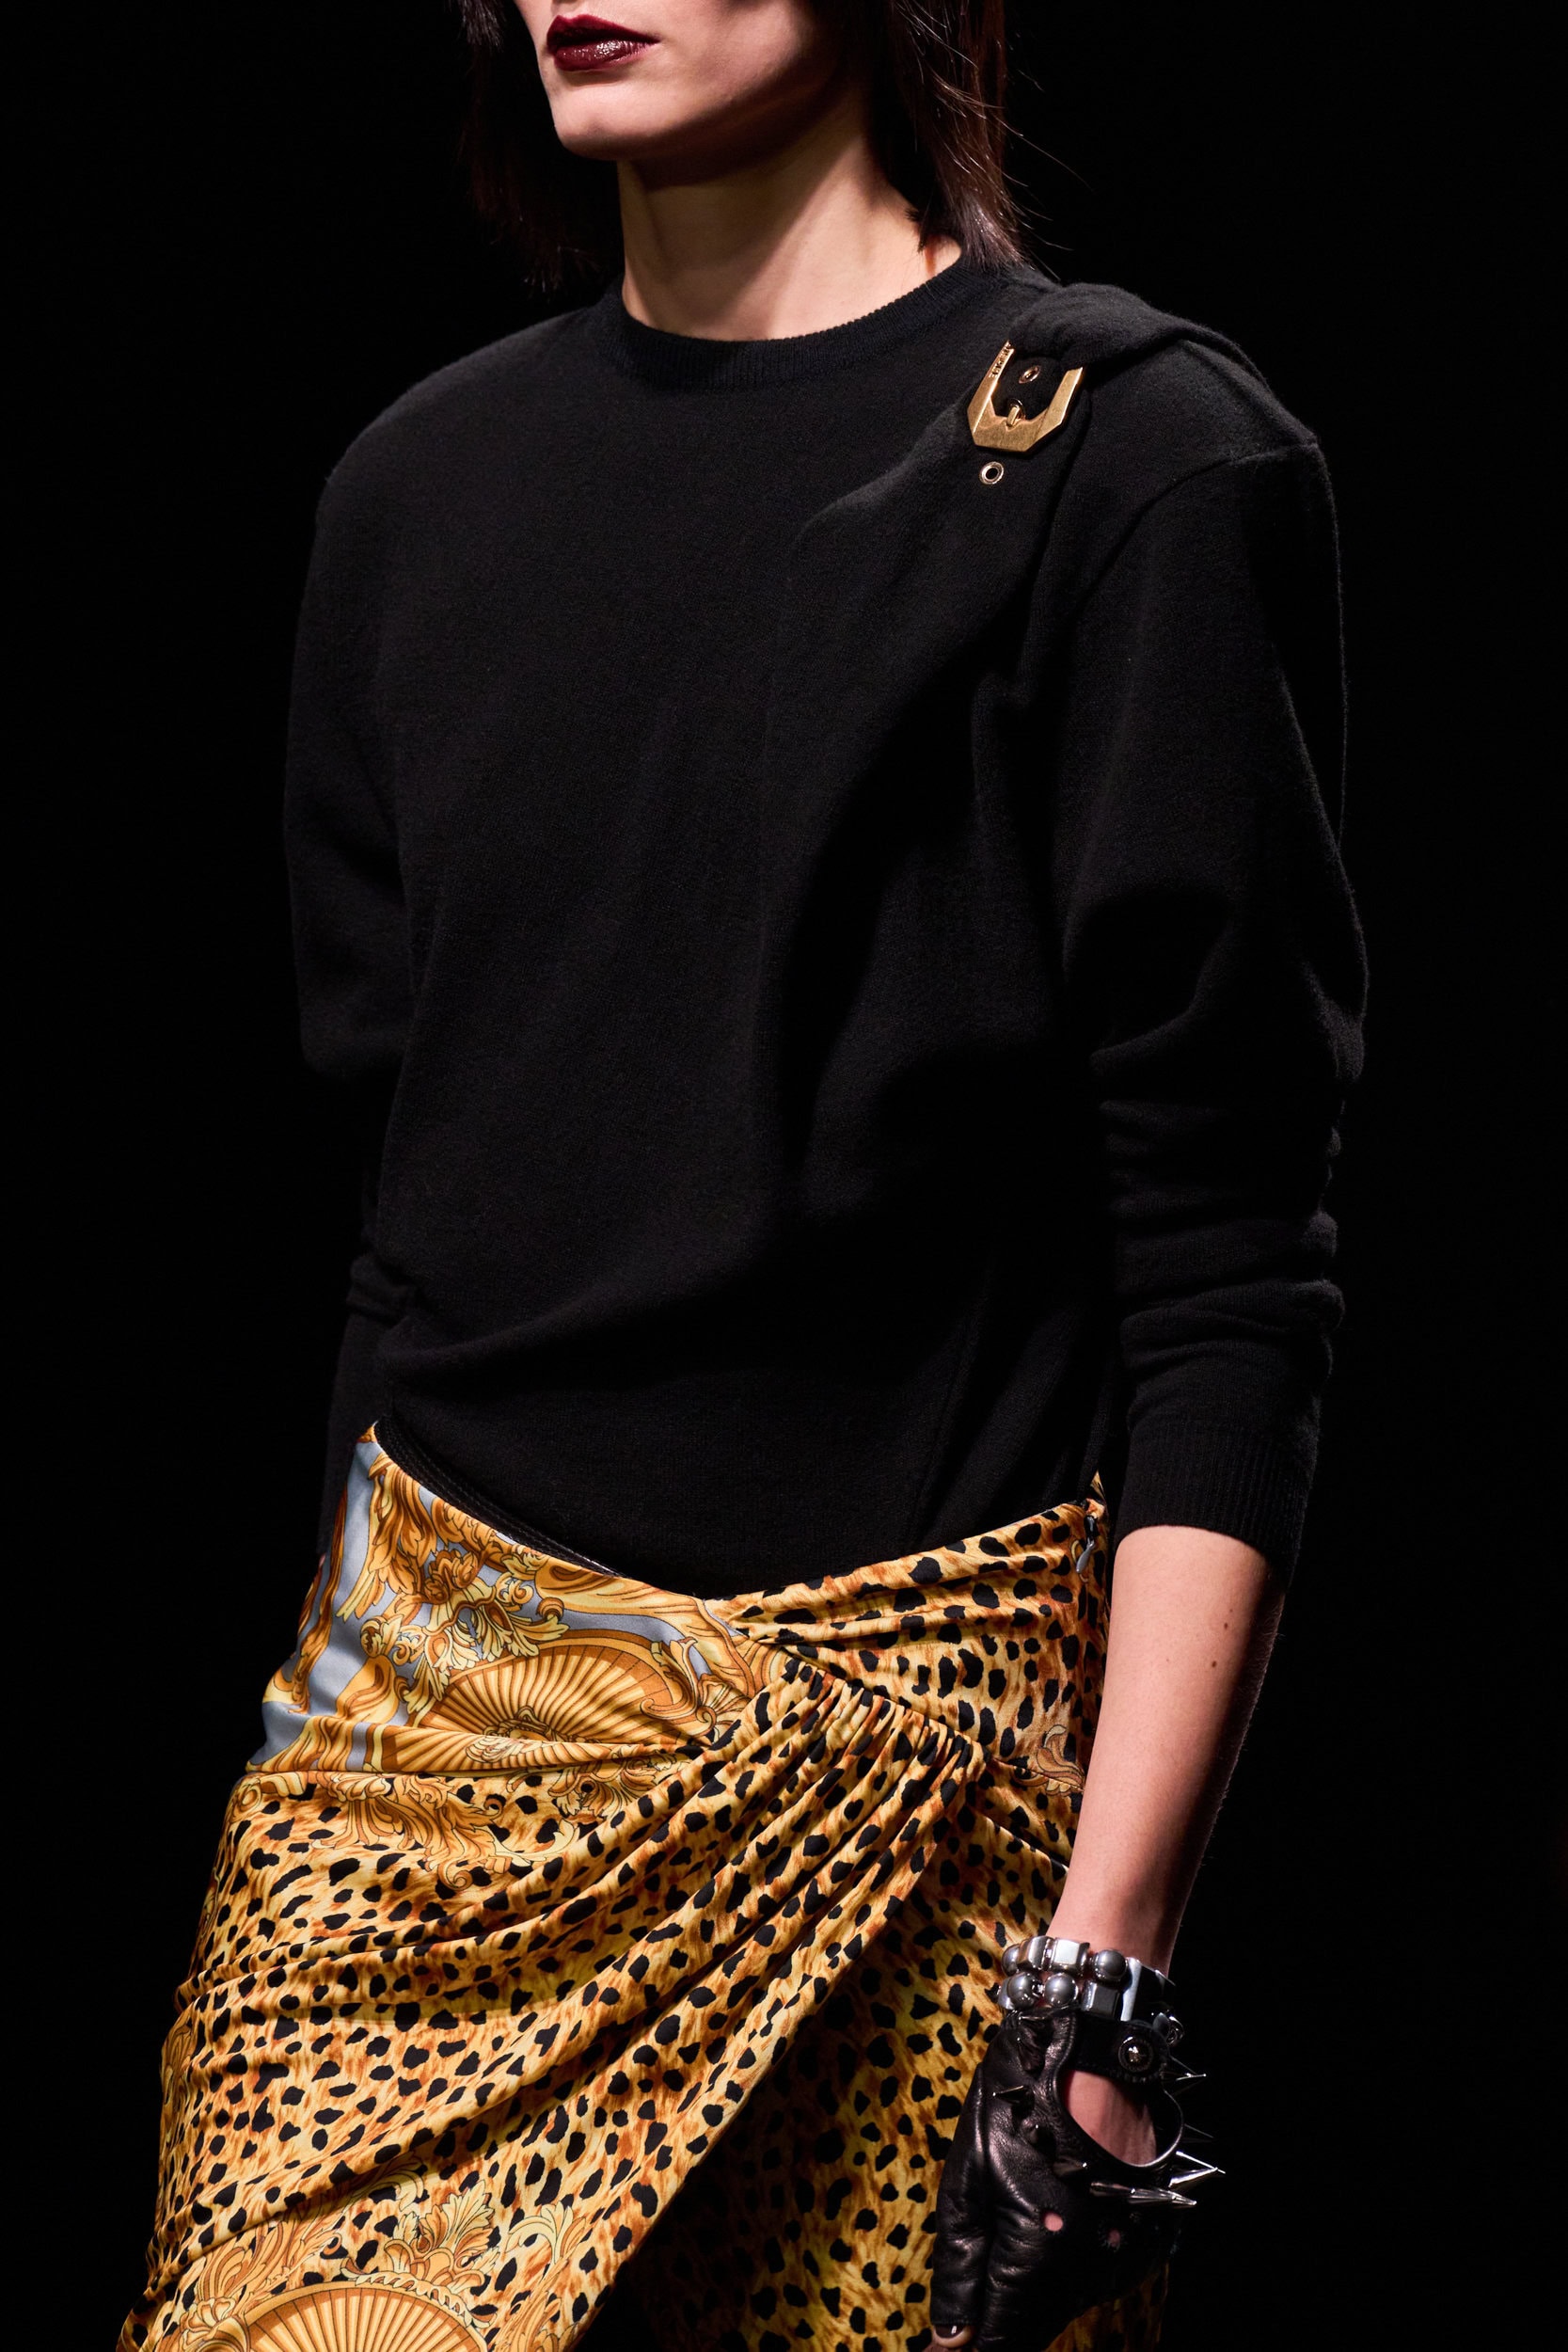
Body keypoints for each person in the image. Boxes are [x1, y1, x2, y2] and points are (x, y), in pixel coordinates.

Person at [123, 5, 1364, 2349]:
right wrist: (324, 1739)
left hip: (925, 1867)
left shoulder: (1137, 461)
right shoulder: (415, 496)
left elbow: (1228, 1276)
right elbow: (412, 1215)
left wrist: (1104, 1977)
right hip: (411, 1813)